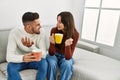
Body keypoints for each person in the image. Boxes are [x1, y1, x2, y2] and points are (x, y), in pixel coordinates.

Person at [6, 12, 48, 80]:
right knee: (10, 67)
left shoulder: (41, 32)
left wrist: (31, 46)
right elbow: (9, 57)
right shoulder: (15, 33)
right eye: (38, 25)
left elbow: (44, 55)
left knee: (44, 63)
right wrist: (23, 58)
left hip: (34, 60)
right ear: (29, 26)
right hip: (20, 61)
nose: (40, 26)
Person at [46, 11, 79, 80]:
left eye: (60, 22)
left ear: (67, 23)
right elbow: (51, 53)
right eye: (57, 21)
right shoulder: (54, 30)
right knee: (51, 63)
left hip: (65, 56)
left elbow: (68, 57)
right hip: (54, 54)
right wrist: (52, 43)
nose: (57, 24)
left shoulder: (75, 34)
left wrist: (67, 46)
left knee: (67, 64)